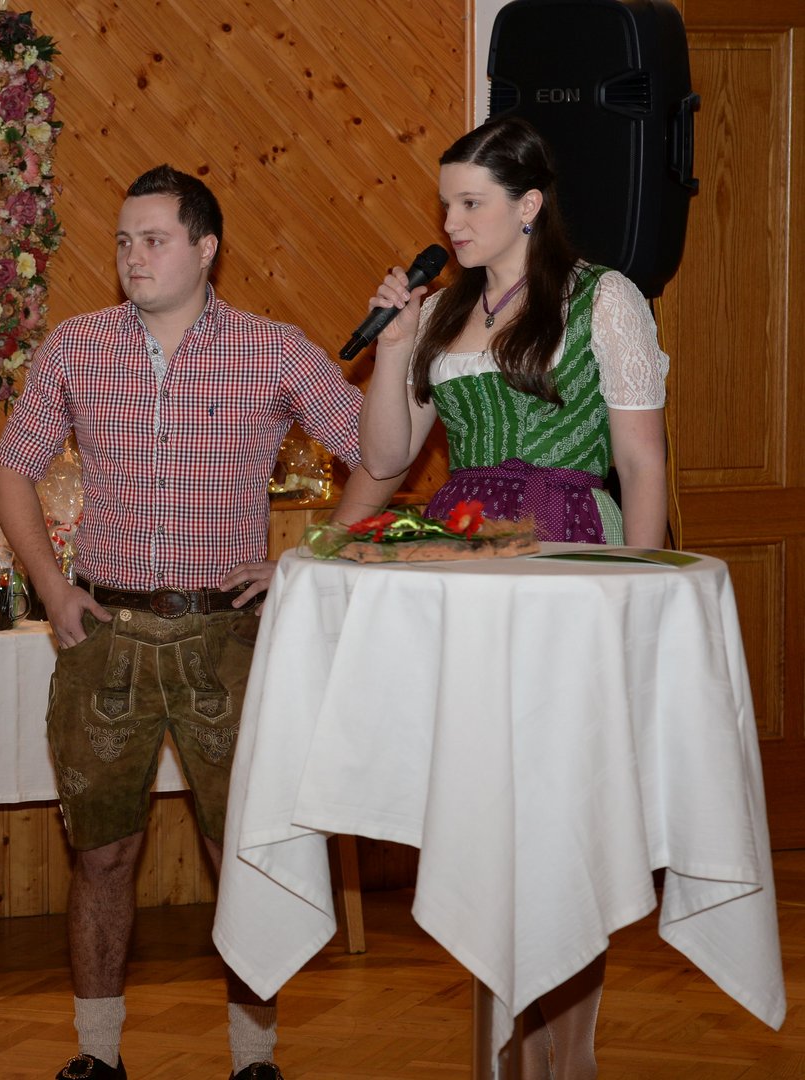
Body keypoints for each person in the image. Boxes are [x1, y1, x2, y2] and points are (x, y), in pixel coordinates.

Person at [0, 165, 402, 1080]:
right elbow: (12, 468)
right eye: (123, 241)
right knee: (103, 853)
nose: (132, 257)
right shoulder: (75, 346)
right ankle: (96, 1055)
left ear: (205, 248)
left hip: (228, 637)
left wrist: (308, 556)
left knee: (242, 854)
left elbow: (379, 456)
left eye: (154, 240)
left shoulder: (274, 349)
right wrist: (52, 589)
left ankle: (253, 1059)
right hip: (103, 632)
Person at [357, 116, 669, 1079]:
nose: (450, 222)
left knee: (557, 820)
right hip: (460, 564)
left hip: (564, 560)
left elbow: (640, 461)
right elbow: (385, 457)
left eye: (470, 203)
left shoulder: (601, 299)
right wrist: (393, 347)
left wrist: (638, 595)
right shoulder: (439, 315)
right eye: (445, 203)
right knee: (485, 818)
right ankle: (501, 1051)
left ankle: (564, 1056)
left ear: (528, 205)